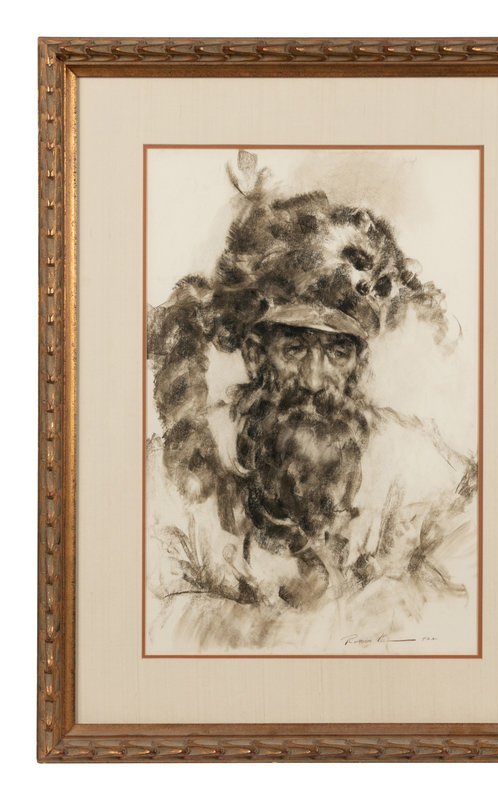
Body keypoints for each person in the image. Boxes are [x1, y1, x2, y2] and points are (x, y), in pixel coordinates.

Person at [145, 152, 477, 654]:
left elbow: (454, 614)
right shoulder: (169, 477)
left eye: (337, 352)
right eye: (295, 349)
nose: (316, 380)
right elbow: (159, 626)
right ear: (255, 355)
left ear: (359, 364)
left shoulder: (427, 473)